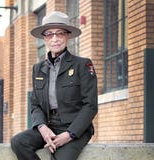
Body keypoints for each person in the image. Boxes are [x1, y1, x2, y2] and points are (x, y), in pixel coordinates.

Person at [10, 11, 98, 160]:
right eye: (49, 34)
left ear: (67, 36)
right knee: (18, 142)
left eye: (60, 33)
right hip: (49, 125)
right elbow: (35, 104)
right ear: (44, 38)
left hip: (75, 128)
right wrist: (42, 128)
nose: (55, 39)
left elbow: (90, 106)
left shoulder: (83, 64)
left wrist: (69, 135)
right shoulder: (38, 68)